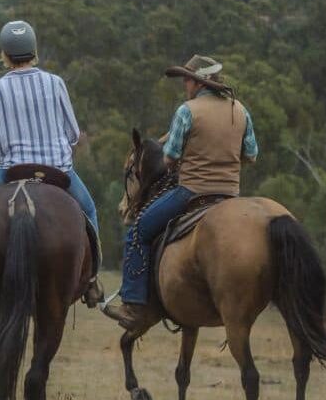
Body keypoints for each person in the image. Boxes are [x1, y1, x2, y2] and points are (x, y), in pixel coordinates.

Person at [0, 20, 103, 307]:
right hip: (59, 172)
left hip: (12, 171)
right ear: (33, 50)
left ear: (5, 54)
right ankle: (91, 281)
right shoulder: (56, 82)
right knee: (88, 208)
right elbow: (74, 134)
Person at [102, 54, 258, 328]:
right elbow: (251, 155)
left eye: (187, 79)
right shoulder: (240, 110)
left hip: (192, 192)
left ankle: (133, 305)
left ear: (200, 83)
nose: (185, 84)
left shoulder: (188, 111)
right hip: (230, 195)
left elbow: (170, 158)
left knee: (138, 231)